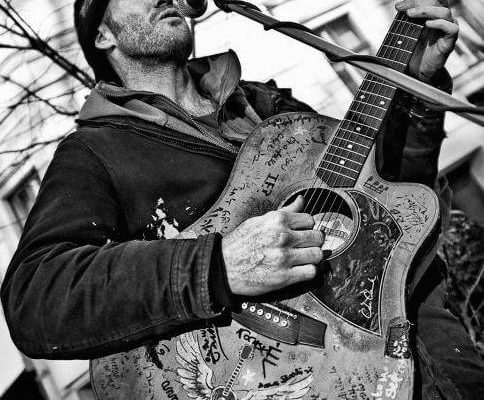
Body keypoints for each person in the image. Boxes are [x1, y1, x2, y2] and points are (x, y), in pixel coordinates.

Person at [1, 0, 482, 398]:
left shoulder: (266, 105)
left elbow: (397, 209)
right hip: (271, 379)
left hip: (432, 354)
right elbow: (36, 297)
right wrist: (219, 264)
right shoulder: (96, 150)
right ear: (102, 34)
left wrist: (415, 90)